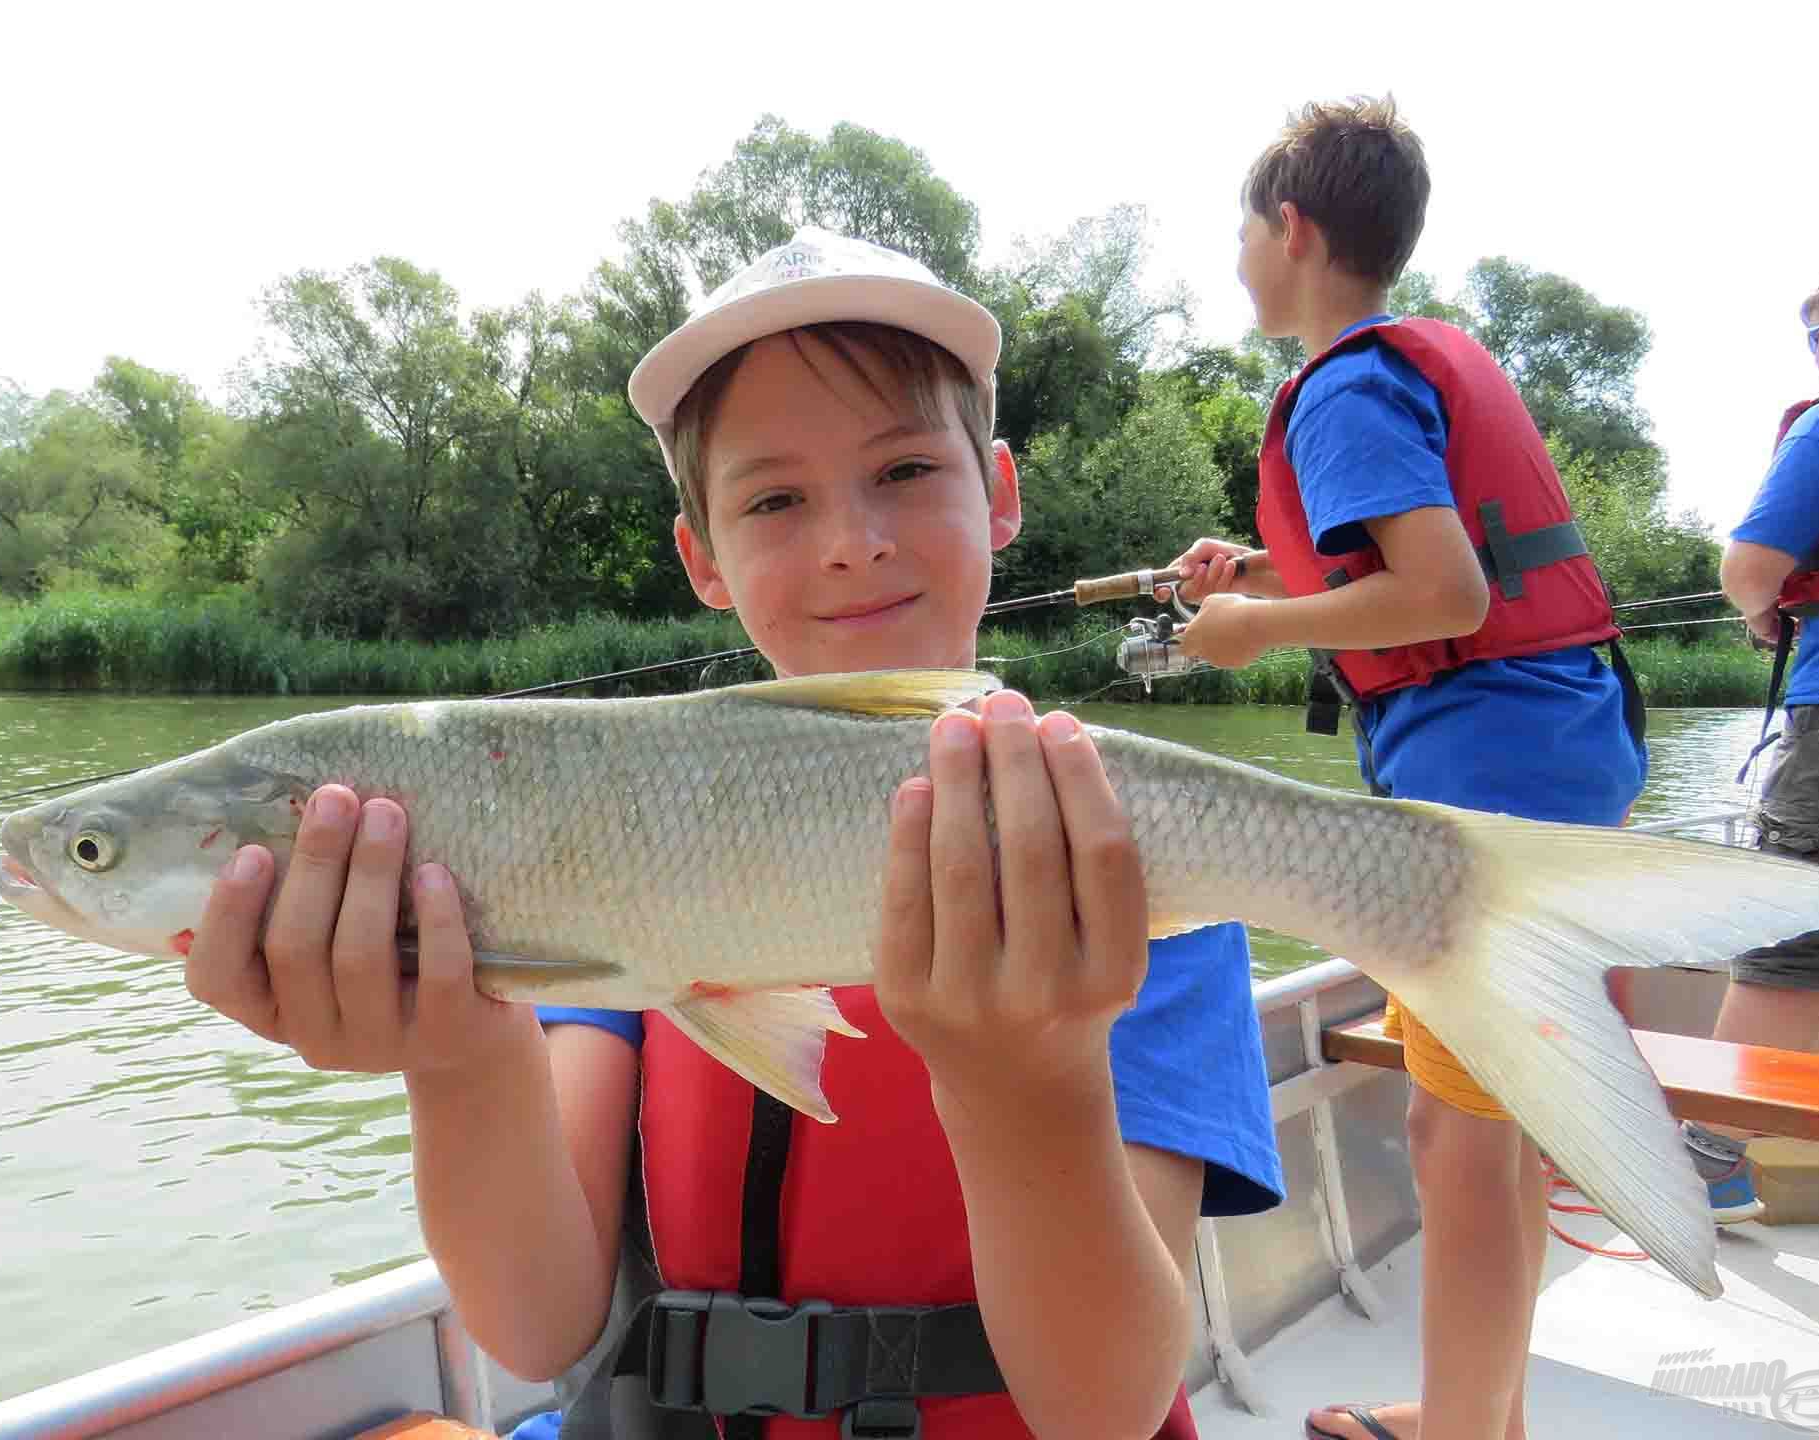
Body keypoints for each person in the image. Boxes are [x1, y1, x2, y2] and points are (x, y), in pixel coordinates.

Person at [182, 225, 1283, 1439]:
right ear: (702, 558)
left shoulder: (1125, 859)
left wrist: (1026, 1078)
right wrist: (459, 1057)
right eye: (774, 498)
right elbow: (538, 1324)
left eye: (907, 471)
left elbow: (1105, 1414)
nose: (851, 539)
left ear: (1002, 493)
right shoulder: (607, 837)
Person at [1160, 98, 1645, 1440]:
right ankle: (1483, 1417)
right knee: (1493, 1122)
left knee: (1460, 1139)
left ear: (1292, 228)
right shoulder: (1388, 372)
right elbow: (1403, 563)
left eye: (1245, 230)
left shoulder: (1346, 388)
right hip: (1558, 746)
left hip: (1489, 769)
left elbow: (1439, 591)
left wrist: (1252, 629)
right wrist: (1261, 569)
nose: (1241, 256)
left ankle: (1463, 1428)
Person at [1685, 253, 1819, 1224]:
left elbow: (1752, 564)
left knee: (1788, 944)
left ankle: (1707, 1163)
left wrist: (1766, 615)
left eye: (1816, 341)